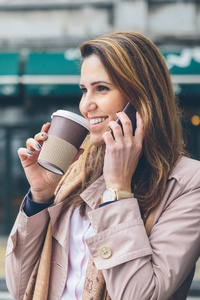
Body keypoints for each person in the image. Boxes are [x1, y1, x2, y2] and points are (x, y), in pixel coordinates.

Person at [5, 31, 200, 300]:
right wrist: (40, 197)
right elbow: (20, 287)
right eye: (84, 90)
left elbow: (139, 295)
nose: (86, 105)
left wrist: (118, 191)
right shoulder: (75, 172)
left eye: (102, 88)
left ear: (141, 98)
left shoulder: (189, 183)